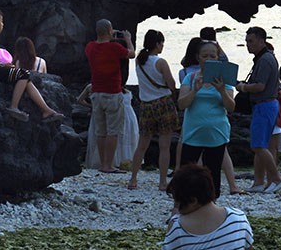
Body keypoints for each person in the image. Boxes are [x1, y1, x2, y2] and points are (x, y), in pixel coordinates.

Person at [0, 6, 64, 123]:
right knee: (23, 74)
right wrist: (2, 66)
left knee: (26, 79)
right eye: (1, 21)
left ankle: (46, 110)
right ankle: (13, 106)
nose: (2, 25)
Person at [177, 40, 237, 197]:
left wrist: (222, 90)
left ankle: (210, 208)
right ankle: (180, 207)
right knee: (187, 174)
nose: (209, 59)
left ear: (217, 58)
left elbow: (231, 107)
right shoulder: (190, 78)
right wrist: (194, 91)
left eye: (213, 55)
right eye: (205, 55)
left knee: (213, 175)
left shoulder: (224, 80)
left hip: (216, 134)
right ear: (198, 57)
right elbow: (182, 104)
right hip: (192, 134)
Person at [235, 26, 281, 193]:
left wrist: (243, 87)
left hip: (264, 105)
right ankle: (258, 182)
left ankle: (277, 179)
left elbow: (260, 86)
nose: (248, 45)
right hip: (268, 105)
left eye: (251, 41)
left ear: (262, 41)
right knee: (262, 145)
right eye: (246, 41)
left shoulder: (264, 60)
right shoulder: (265, 57)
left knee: (258, 146)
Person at [128, 30, 179, 191]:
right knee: (164, 146)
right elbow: (171, 84)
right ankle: (162, 182)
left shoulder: (139, 60)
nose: (163, 46)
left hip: (146, 105)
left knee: (142, 145)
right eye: (161, 43)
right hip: (163, 103)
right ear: (157, 44)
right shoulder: (161, 62)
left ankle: (133, 179)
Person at [85, 19, 136, 174]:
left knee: (101, 131)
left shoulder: (90, 47)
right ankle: (108, 164)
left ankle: (102, 163)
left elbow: (100, 42)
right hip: (113, 93)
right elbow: (132, 54)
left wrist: (108, 34)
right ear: (109, 30)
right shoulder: (115, 47)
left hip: (96, 93)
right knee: (113, 131)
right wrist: (127, 40)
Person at [163, 164, 253, 250]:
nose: (176, 206)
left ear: (193, 201)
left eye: (177, 200)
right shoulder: (239, 219)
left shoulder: (178, 227)